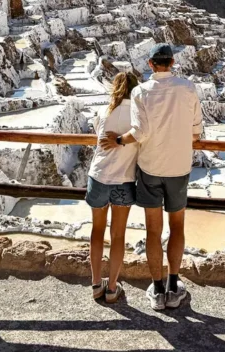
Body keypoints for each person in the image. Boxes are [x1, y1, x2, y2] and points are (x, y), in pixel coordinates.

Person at [99, 43, 203, 311]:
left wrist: (119, 140)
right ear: (172, 62)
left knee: (153, 231)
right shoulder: (188, 88)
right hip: (179, 169)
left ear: (150, 64)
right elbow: (196, 133)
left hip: (150, 169)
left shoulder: (140, 92)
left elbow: (140, 133)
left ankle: (157, 291)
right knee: (177, 227)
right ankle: (174, 286)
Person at [86, 71, 141, 304]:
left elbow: (97, 134)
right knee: (118, 235)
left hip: (98, 177)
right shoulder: (140, 116)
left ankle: (96, 284)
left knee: (97, 232)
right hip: (123, 180)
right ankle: (111, 289)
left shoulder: (103, 111)